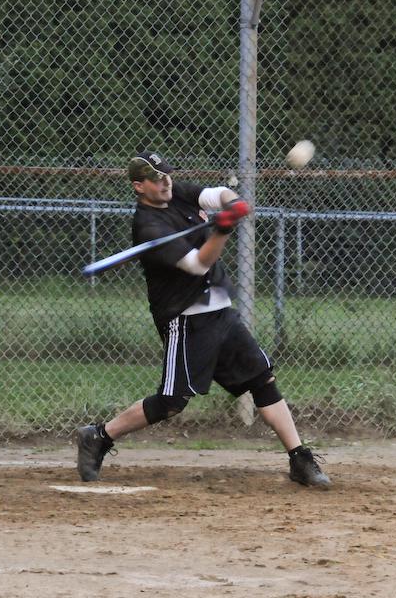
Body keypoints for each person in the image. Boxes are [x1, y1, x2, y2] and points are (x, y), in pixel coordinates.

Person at [76, 150, 331, 488]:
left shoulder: (176, 191)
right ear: (139, 186)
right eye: (155, 179)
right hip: (185, 318)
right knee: (171, 402)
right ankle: (98, 436)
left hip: (219, 310)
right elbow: (197, 264)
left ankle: (300, 459)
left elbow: (217, 194)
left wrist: (232, 204)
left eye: (166, 174)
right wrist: (222, 230)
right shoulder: (149, 227)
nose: (165, 182)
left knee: (262, 380)